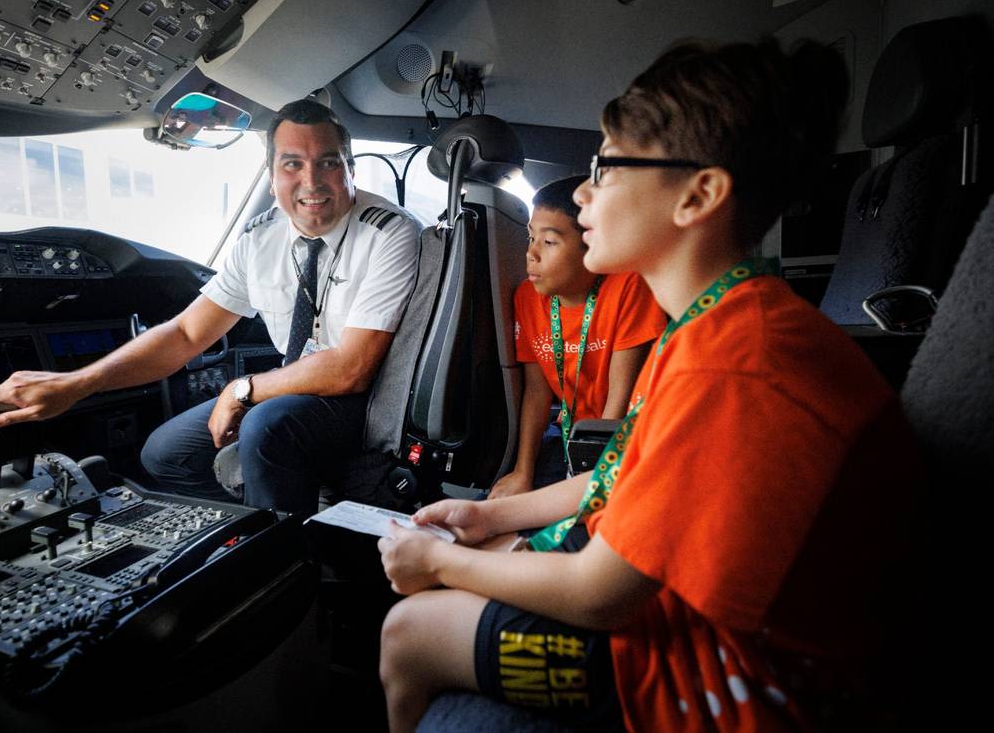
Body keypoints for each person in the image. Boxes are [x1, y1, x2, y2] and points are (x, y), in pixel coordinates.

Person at [377, 39, 922, 732]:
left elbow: (600, 594)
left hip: (734, 677)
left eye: (605, 167)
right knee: (476, 553)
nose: (582, 192)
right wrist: (489, 517)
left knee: (407, 632)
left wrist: (434, 563)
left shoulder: (736, 359)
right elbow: (626, 472)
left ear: (698, 195)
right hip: (682, 606)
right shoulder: (713, 321)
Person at [0, 99, 421, 517]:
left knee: (265, 424)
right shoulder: (260, 238)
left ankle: (284, 566)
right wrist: (78, 384)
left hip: (367, 401)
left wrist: (240, 389)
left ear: (350, 169)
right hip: (295, 387)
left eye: (328, 162)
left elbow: (351, 369)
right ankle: (257, 531)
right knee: (166, 453)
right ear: (271, 175)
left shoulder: (389, 233)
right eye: (292, 164)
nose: (312, 181)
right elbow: (187, 334)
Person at [489, 175, 665, 499]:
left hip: (621, 437)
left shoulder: (628, 286)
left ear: (593, 243)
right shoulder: (527, 298)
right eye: (530, 238)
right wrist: (522, 471)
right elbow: (537, 394)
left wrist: (597, 480)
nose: (532, 254)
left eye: (550, 241)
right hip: (569, 432)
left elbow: (620, 396)